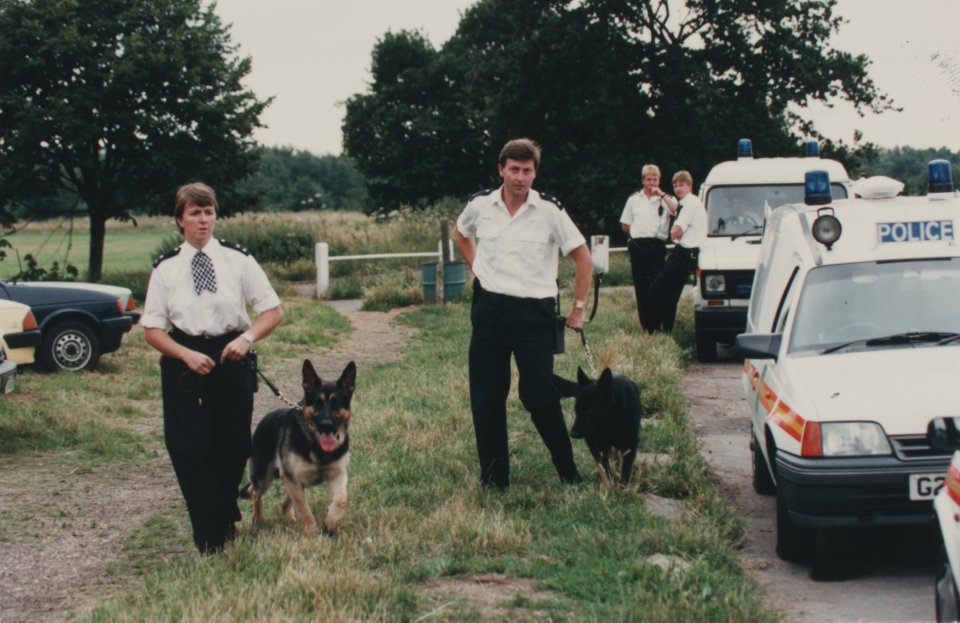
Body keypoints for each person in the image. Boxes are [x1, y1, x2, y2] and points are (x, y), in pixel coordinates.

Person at [141, 182, 283, 554]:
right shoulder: (166, 268)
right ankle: (208, 534)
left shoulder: (238, 260)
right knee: (188, 448)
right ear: (180, 220)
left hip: (230, 356)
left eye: (209, 212)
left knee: (233, 445)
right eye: (194, 213)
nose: (203, 221)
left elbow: (272, 310)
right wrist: (184, 354)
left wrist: (247, 338)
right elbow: (152, 329)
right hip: (183, 360)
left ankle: (223, 511)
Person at [455, 138, 593, 489]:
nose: (520, 177)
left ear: (535, 173)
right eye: (513, 169)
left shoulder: (549, 210)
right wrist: (478, 267)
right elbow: (461, 231)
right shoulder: (481, 205)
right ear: (501, 169)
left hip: (534, 316)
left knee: (539, 395)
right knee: (486, 395)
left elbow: (583, 257)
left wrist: (578, 308)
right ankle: (494, 480)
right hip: (489, 311)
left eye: (527, 170)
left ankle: (568, 473)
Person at [647, 170, 707, 333]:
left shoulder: (689, 204)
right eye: (675, 185)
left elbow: (677, 230)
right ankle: (665, 330)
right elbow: (676, 209)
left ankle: (653, 328)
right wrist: (662, 194)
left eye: (682, 185)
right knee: (671, 294)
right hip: (689, 252)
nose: (678, 188)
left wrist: (668, 234)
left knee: (656, 290)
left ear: (690, 185)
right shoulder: (690, 202)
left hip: (684, 252)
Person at [620, 164, 678, 332]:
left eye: (655, 179)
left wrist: (661, 194)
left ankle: (658, 321)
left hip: (657, 246)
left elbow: (677, 210)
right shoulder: (633, 200)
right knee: (641, 287)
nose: (652, 182)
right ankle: (647, 326)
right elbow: (625, 225)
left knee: (657, 286)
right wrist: (639, 233)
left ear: (659, 180)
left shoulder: (666, 199)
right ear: (643, 180)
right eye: (649, 179)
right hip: (638, 247)